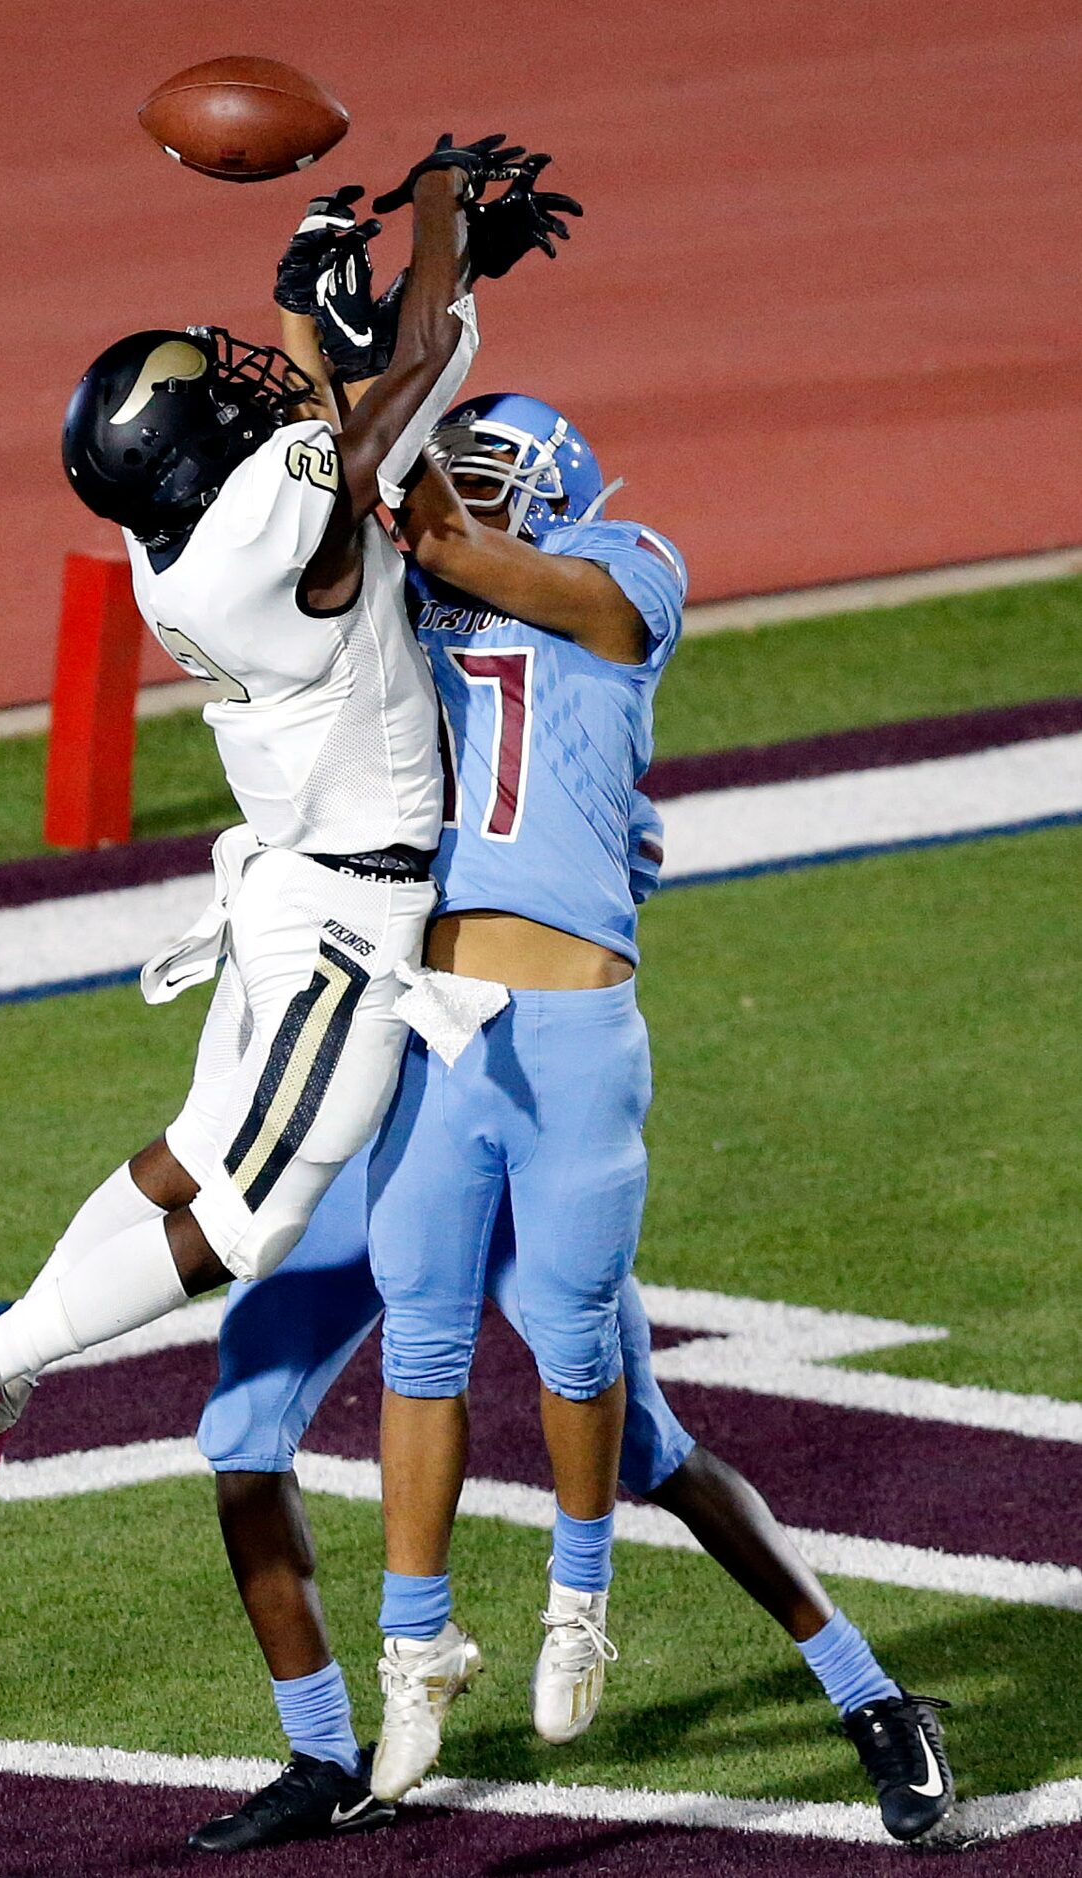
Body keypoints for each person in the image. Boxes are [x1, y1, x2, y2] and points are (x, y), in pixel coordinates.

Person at [183, 353, 955, 1848]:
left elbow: (497, 588)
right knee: (242, 1421)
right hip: (395, 1061)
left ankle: (865, 1688)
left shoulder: (613, 567)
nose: (457, 475)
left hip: (544, 1051)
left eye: (484, 459)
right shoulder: (386, 612)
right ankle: (331, 1743)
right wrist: (338, 336)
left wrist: (412, 409)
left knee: (642, 1435)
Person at [0, 130, 535, 1536]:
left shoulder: (171, 535)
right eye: (208, 389)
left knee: (190, 1150)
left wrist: (368, 294)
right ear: (191, 454)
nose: (239, 380)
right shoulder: (256, 529)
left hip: (293, 879)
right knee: (250, 1219)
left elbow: (351, 421)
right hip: (345, 917)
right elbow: (399, 398)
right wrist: (431, 236)